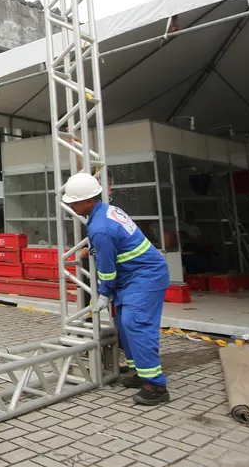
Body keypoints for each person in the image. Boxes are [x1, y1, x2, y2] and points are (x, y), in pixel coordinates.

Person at [63, 172, 171, 406]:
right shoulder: (103, 212)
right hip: (134, 276)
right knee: (123, 324)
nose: (70, 204)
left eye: (74, 200)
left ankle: (156, 385)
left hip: (146, 276)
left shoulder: (101, 227)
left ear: (89, 201)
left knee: (135, 323)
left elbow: (107, 268)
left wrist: (104, 291)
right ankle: (139, 372)